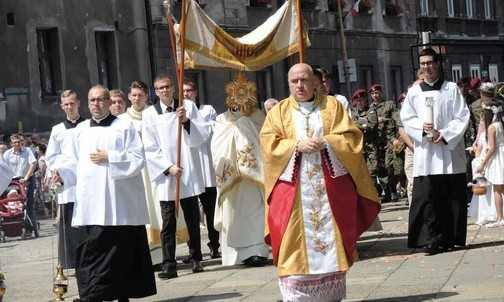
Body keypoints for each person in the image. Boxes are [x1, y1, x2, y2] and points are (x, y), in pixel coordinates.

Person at [260, 63, 381, 302]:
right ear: (288, 84)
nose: (299, 85)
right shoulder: (279, 112)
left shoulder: (332, 107)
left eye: (304, 80)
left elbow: (352, 137)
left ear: (315, 81)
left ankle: (330, 295)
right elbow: (268, 144)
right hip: (294, 190)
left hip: (328, 190)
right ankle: (297, 297)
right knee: (290, 239)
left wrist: (327, 142)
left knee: (331, 237)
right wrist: (296, 146)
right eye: (294, 81)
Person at [51, 85, 156, 302]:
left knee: (120, 255)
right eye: (92, 100)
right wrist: (61, 175)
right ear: (87, 103)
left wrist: (111, 156)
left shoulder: (124, 126)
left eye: (100, 100)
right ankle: (92, 295)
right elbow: (72, 162)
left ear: (109, 102)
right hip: (91, 204)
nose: (96, 104)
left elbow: (138, 158)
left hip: (120, 205)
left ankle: (117, 295)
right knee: (92, 251)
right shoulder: (81, 131)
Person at [401, 47, 470, 255]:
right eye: (422, 64)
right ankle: (430, 239)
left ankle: (448, 238)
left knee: (449, 197)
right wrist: (421, 128)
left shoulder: (451, 89)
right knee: (427, 198)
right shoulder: (414, 92)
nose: (426, 67)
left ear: (437, 64)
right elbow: (406, 118)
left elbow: (462, 116)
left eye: (429, 63)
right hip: (426, 153)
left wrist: (446, 133)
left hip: (447, 151)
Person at [142, 74, 209, 279]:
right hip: (167, 174)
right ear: (155, 91)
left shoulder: (187, 106)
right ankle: (169, 263)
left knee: (191, 217)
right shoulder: (149, 114)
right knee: (168, 220)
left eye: (168, 86)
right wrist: (168, 167)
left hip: (187, 169)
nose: (164, 90)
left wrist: (186, 121)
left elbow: (202, 135)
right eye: (160, 88)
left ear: (174, 88)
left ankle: (196, 257)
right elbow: (149, 146)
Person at [211, 73, 269, 267]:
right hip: (233, 178)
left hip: (254, 175)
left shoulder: (258, 116)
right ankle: (238, 254)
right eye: (236, 98)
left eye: (243, 97)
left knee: (256, 211)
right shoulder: (222, 120)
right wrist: (238, 127)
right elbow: (217, 147)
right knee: (235, 215)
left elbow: (265, 140)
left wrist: (245, 123)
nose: (239, 102)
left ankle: (258, 251)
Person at [181, 77, 221, 261]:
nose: (186, 94)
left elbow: (209, 133)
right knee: (191, 212)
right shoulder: (178, 112)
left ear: (195, 92)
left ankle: (214, 244)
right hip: (189, 165)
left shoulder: (207, 110)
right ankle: (193, 249)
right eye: (183, 92)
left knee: (210, 208)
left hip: (206, 165)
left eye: (189, 91)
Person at [118, 80, 162, 245]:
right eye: (134, 95)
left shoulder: (154, 114)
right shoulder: (122, 120)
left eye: (140, 96)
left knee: (156, 208)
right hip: (136, 170)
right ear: (129, 97)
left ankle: (161, 251)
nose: (137, 99)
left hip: (153, 168)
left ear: (146, 96)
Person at [475, 98, 504, 228]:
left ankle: (500, 217)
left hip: (498, 158)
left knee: (497, 189)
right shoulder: (502, 124)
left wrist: (482, 163)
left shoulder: (492, 127)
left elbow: (492, 148)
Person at [3, 133, 39, 237]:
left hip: (25, 179)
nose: (17, 144)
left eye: (18, 142)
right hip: (12, 181)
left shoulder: (27, 151)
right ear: (11, 144)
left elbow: (33, 163)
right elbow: (4, 167)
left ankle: (31, 227)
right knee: (10, 201)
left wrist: (27, 177)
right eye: (14, 143)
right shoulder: (7, 154)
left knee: (28, 205)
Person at [368, 84, 397, 202]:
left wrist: (386, 120)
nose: (375, 95)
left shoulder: (389, 105)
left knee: (389, 165)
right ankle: (388, 192)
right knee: (380, 167)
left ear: (381, 93)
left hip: (388, 139)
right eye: (373, 93)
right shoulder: (370, 109)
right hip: (376, 141)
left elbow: (397, 118)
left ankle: (394, 189)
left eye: (377, 93)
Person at [350, 89, 380, 195]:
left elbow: (372, 125)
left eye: (362, 100)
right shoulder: (353, 113)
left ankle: (374, 193)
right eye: (358, 101)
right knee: (362, 172)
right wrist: (360, 125)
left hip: (370, 145)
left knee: (372, 170)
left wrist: (359, 125)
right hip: (359, 146)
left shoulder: (370, 111)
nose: (360, 103)